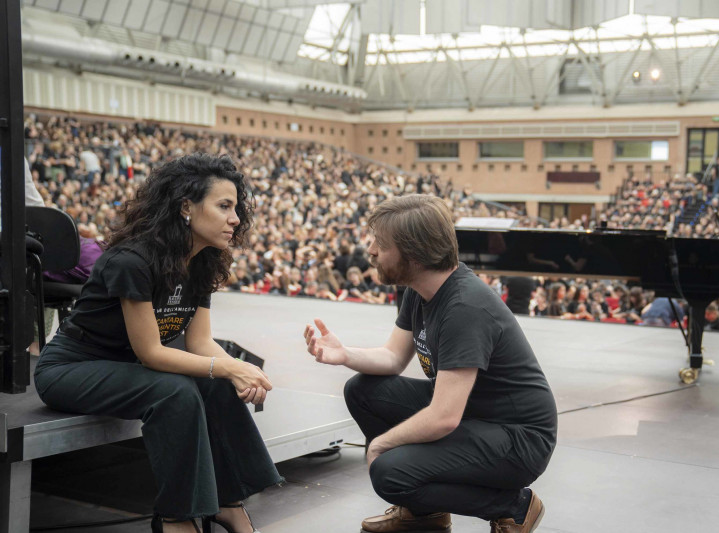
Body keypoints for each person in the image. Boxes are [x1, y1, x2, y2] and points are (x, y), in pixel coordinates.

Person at [33, 154, 282, 533]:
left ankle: (229, 504)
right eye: (224, 206)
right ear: (186, 207)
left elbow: (199, 342)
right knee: (175, 391)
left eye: (236, 208)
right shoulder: (132, 260)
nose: (235, 218)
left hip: (130, 368)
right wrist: (230, 365)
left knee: (218, 381)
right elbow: (151, 354)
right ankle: (176, 519)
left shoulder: (201, 262)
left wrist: (239, 373)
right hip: (72, 369)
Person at [304, 195, 555, 533]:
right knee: (362, 390)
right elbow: (393, 358)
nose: (372, 250)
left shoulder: (464, 307)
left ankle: (514, 506)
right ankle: (424, 513)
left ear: (414, 254)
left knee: (388, 472)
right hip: (474, 414)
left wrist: (382, 444)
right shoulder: (418, 289)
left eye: (381, 242)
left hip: (519, 439)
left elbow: (443, 417)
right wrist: (344, 354)